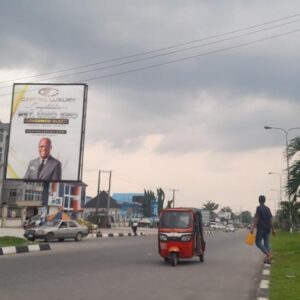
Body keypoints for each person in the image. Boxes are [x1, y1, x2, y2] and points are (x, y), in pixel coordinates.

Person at [250, 195, 275, 264]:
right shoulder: (268, 209)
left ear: (259, 200)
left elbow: (256, 219)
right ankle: (269, 259)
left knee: (257, 242)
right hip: (268, 229)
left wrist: (252, 228)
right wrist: (273, 229)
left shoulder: (258, 208)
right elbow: (271, 220)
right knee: (266, 244)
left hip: (261, 228)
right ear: (265, 200)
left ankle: (269, 255)